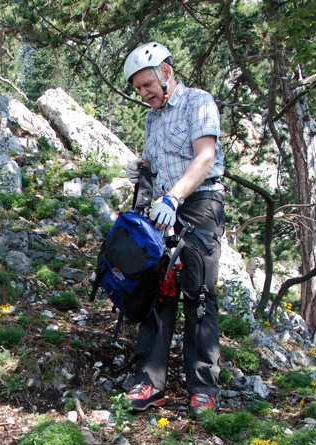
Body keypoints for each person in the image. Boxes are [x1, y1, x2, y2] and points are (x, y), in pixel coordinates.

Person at [122, 42, 226, 418]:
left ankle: (203, 389)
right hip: (164, 207)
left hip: (199, 203)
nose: (144, 93)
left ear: (166, 73)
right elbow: (158, 158)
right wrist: (142, 168)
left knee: (198, 293)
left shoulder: (198, 102)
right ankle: (150, 383)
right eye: (138, 88)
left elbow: (205, 157)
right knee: (157, 289)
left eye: (148, 84)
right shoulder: (153, 117)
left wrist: (175, 197)